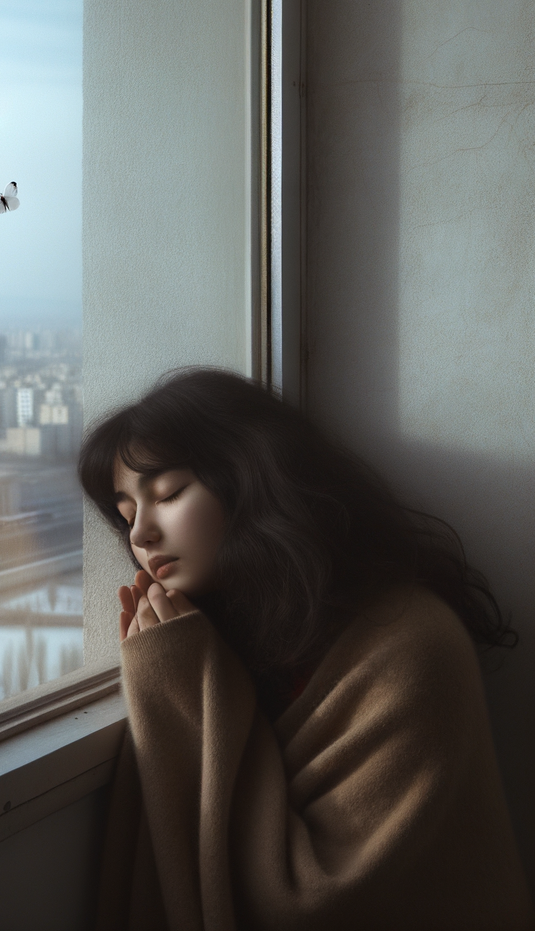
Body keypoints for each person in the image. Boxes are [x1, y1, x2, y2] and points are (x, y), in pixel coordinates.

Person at [78, 368, 532, 931]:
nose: (140, 534)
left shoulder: (413, 643)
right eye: (126, 516)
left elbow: (319, 903)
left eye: (167, 494)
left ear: (249, 479)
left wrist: (183, 684)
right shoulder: (216, 639)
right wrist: (175, 676)